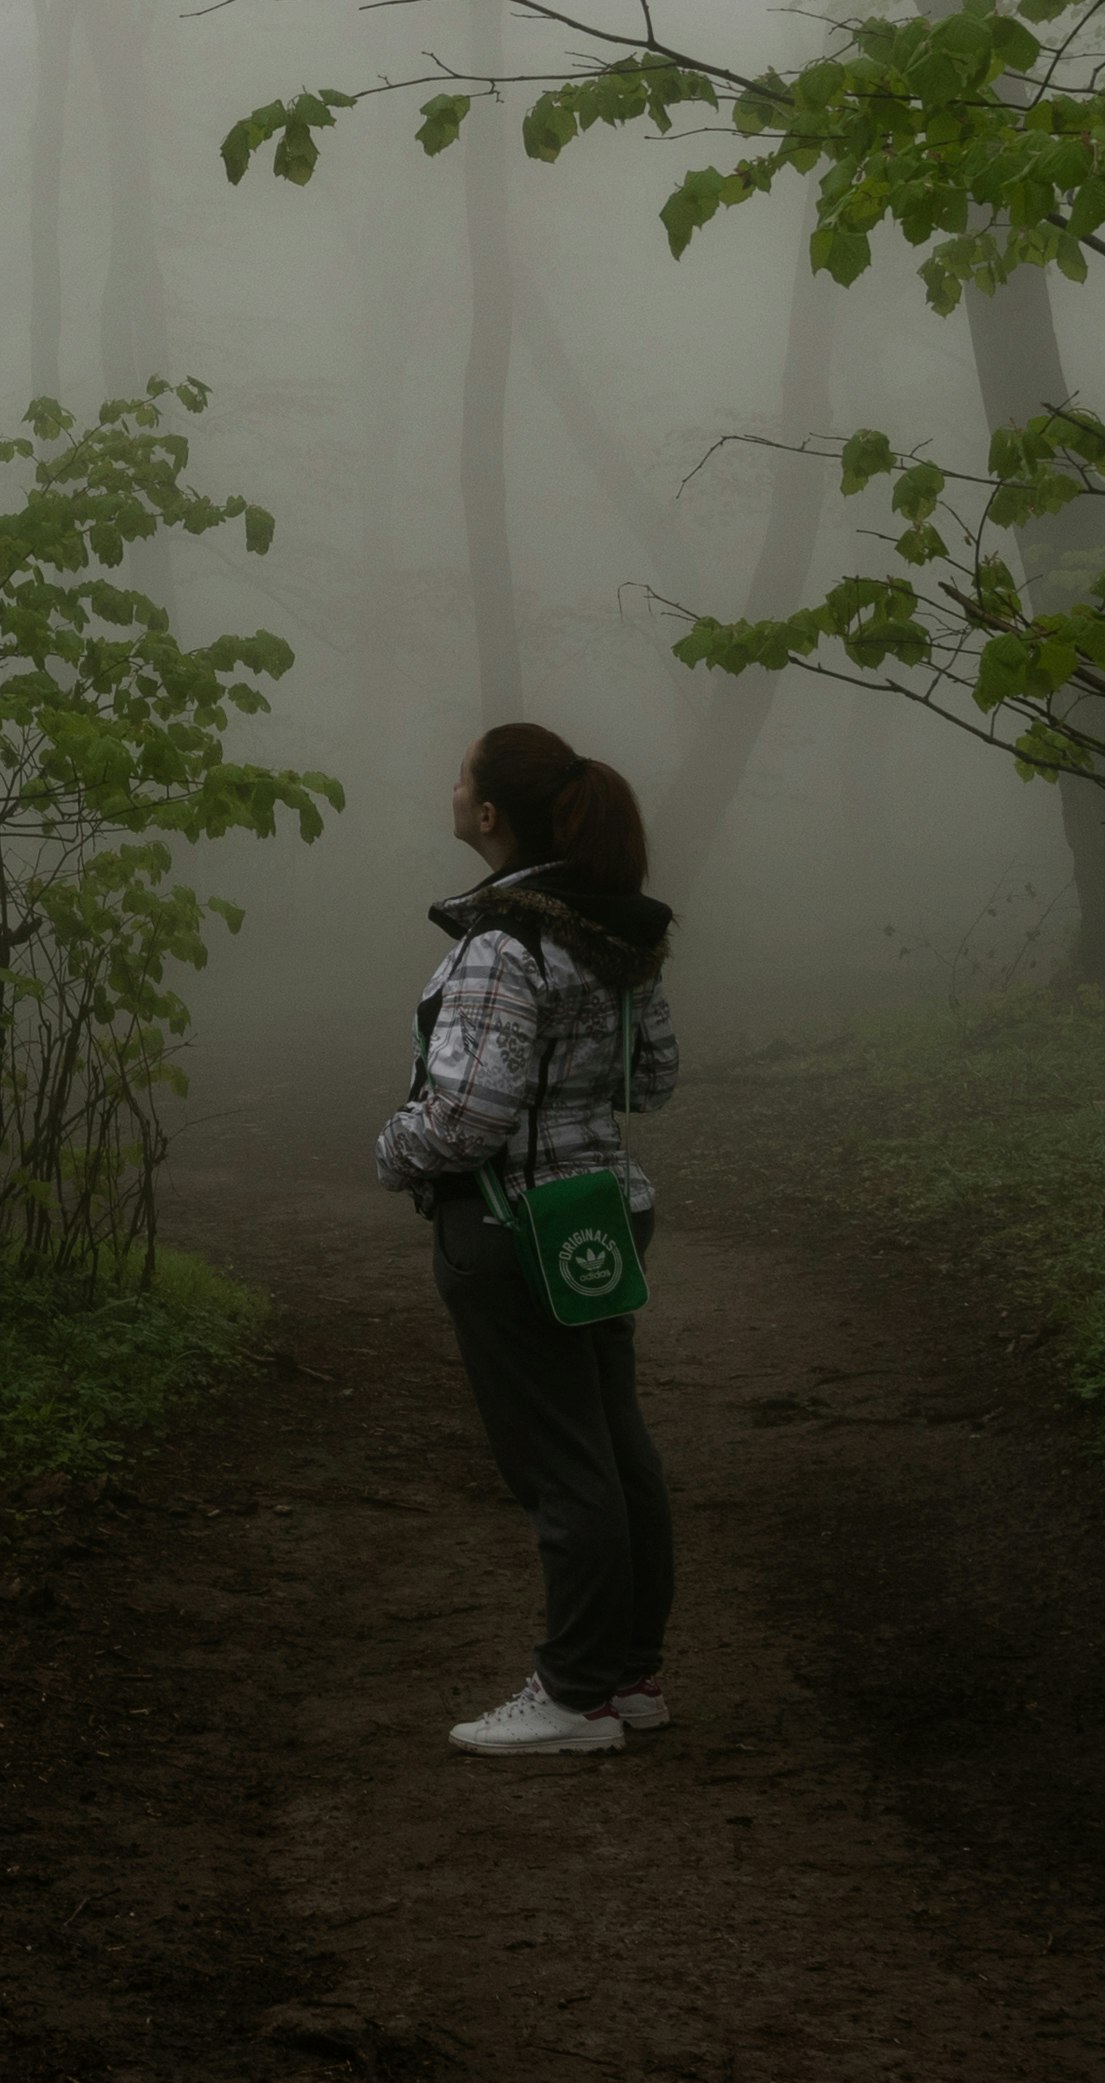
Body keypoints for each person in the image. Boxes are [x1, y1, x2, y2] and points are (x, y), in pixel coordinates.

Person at [377, 719, 682, 1758]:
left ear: (491, 813)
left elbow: (466, 1120)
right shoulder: (613, 932)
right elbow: (654, 1078)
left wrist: (392, 1148)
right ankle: (628, 1676)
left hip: (508, 1224)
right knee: (612, 1443)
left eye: (460, 775)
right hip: (597, 1209)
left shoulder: (498, 947)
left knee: (562, 1462)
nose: (451, 788)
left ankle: (573, 1696)